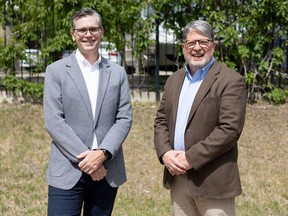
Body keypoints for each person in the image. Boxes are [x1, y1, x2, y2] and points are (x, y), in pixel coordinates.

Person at [43, 7, 132, 216]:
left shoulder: (117, 73)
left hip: (106, 170)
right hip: (68, 169)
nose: (88, 34)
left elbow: (124, 118)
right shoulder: (55, 71)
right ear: (73, 34)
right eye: (82, 30)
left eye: (93, 29)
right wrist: (89, 161)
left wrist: (102, 155)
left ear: (101, 32)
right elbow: (54, 120)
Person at [154, 20, 247, 216]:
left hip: (212, 180)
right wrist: (165, 153)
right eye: (191, 43)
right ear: (183, 47)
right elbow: (161, 120)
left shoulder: (230, 81)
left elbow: (229, 130)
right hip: (177, 176)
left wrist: (190, 158)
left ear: (213, 45)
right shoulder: (174, 80)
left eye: (203, 42)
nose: (197, 48)